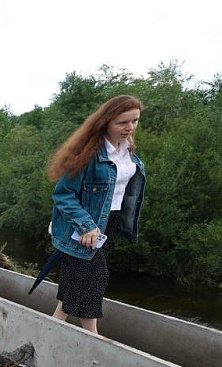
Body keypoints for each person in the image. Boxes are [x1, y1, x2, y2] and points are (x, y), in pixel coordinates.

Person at [47, 95, 146, 334]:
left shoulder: (127, 150)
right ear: (106, 122)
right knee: (96, 278)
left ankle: (51, 327)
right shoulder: (88, 153)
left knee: (76, 283)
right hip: (82, 228)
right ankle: (92, 336)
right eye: (123, 122)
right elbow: (63, 195)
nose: (130, 127)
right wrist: (86, 226)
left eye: (134, 121)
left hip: (108, 224)